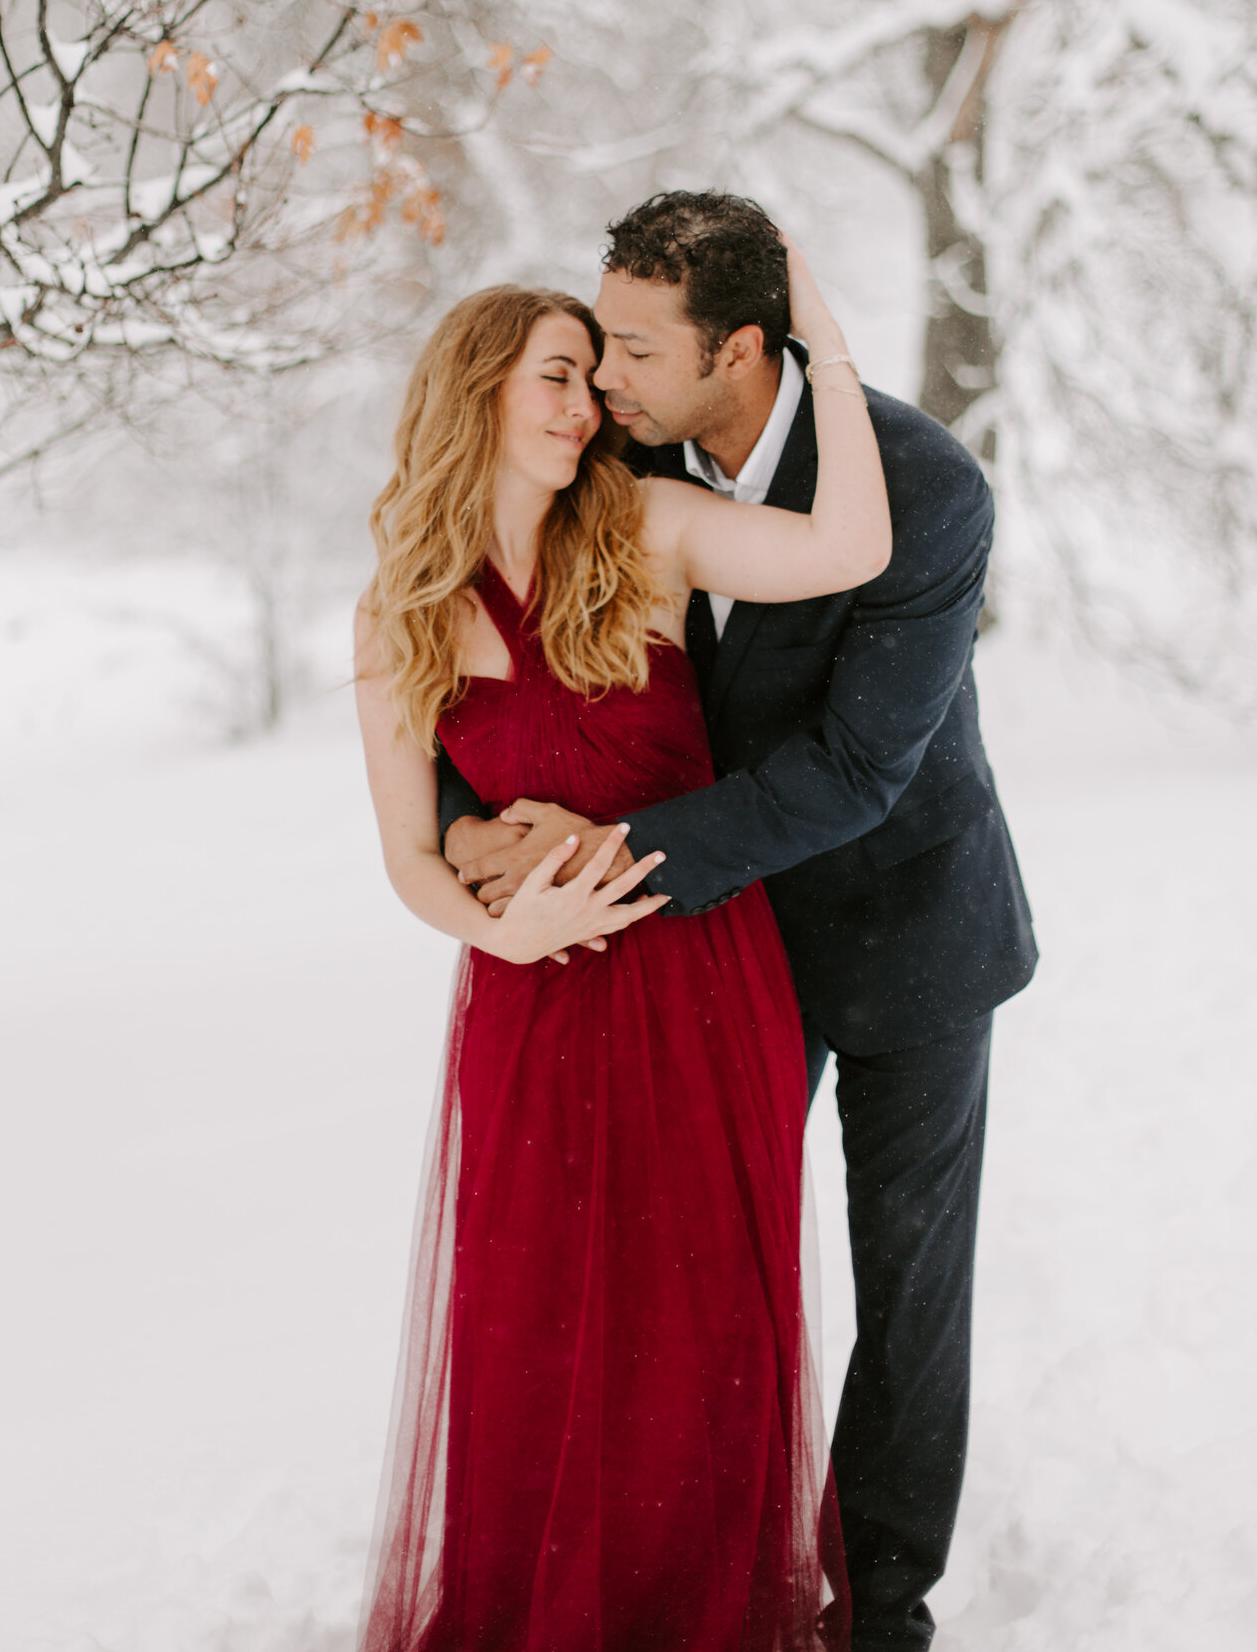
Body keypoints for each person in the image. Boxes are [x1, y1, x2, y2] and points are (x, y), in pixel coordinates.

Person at [443, 192, 1038, 1652]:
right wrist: (467, 829)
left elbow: (852, 767)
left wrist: (605, 851)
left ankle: (881, 1604)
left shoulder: (918, 487)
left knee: (906, 1286)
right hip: (708, 951)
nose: (607, 374)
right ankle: (678, 1566)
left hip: (908, 930)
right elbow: (492, 667)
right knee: (690, 1269)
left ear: (743, 348)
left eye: (635, 347)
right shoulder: (620, 460)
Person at [353, 250, 890, 1652]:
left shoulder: (645, 530)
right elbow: (409, 857)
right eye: (555, 374)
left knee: (697, 1330)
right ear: (478, 388)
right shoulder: (400, 610)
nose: (586, 402)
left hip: (700, 984)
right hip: (527, 1005)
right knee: (531, 1332)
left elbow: (846, 554)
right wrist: (500, 922)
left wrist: (822, 346)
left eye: (592, 378)